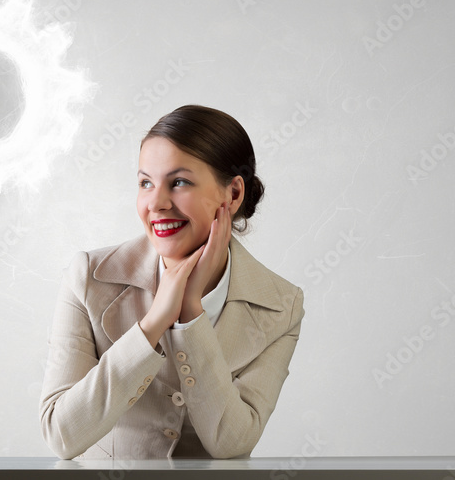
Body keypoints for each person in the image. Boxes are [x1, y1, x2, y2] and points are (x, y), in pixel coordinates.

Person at [38, 104, 304, 460]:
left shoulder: (281, 304)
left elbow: (232, 442)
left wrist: (190, 314)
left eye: (179, 182)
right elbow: (61, 435)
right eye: (145, 183)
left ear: (233, 194)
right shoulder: (89, 276)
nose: (156, 203)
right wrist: (152, 324)